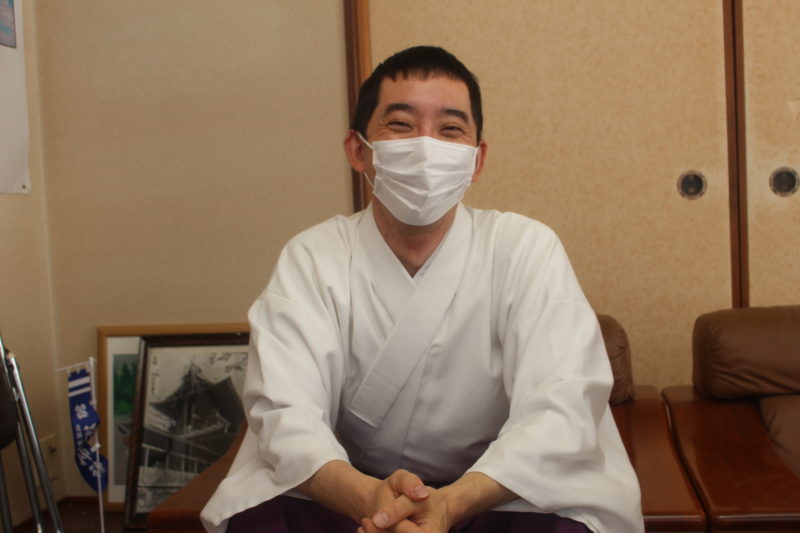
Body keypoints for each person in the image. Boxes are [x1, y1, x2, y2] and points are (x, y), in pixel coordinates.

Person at [201, 46, 644, 533]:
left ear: (476, 160)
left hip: (496, 491)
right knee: (265, 519)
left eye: (450, 129)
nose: (426, 147)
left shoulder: (524, 248)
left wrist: (451, 503)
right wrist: (374, 500)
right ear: (357, 149)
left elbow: (562, 403)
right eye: (400, 124)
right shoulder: (312, 257)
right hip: (348, 491)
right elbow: (286, 412)